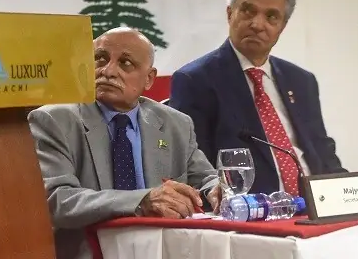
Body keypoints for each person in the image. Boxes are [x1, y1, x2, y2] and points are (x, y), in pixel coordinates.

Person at [28, 27, 221, 259]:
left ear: (149, 78)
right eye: (100, 59)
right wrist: (141, 201)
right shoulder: (55, 120)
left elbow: (205, 178)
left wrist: (218, 190)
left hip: (163, 250)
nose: (108, 71)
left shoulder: (175, 124)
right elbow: (57, 200)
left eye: (126, 63)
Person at [169, 0, 345, 197]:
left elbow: (322, 151)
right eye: (248, 11)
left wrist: (350, 194)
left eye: (271, 16)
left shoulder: (302, 81)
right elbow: (191, 167)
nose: (258, 24)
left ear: (282, 26)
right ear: (230, 13)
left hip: (316, 206)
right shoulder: (196, 80)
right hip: (251, 211)